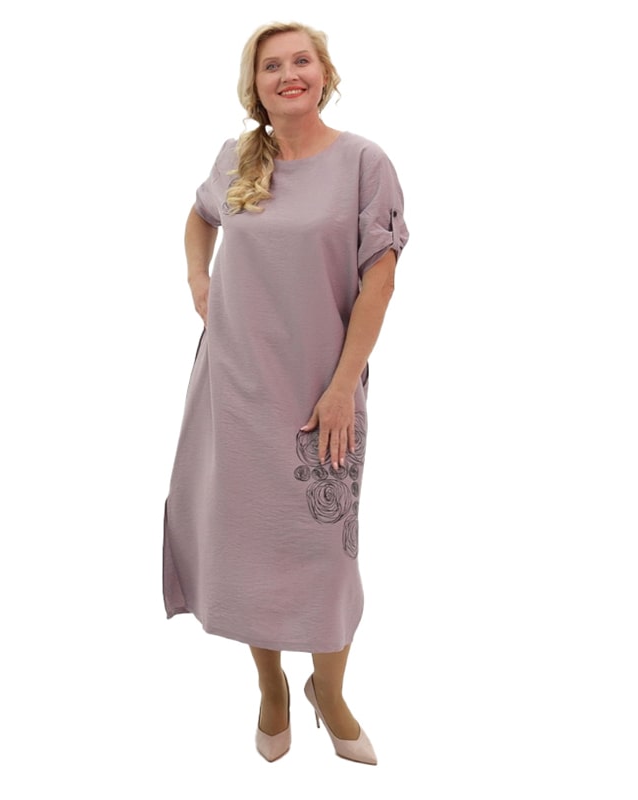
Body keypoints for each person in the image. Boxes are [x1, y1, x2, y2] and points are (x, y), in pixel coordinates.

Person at [162, 21, 409, 764]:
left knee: (325, 551)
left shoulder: (364, 163)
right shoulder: (238, 157)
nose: (288, 74)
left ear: (324, 73)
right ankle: (271, 686)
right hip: (234, 387)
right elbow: (199, 219)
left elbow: (380, 280)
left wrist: (342, 387)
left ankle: (328, 691)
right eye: (272, 65)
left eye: (302, 60)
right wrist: (198, 281)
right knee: (249, 543)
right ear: (256, 85)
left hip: (319, 389)